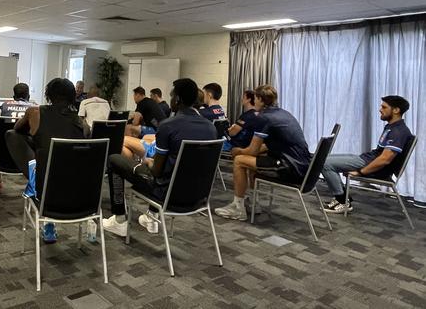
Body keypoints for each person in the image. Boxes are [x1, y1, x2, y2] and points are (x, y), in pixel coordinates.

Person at [103, 78, 218, 237]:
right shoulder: (210, 128)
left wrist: (150, 163)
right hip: (198, 196)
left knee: (114, 160)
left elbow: (157, 171)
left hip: (166, 194)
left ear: (177, 99)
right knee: (167, 170)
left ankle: (119, 219)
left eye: (172, 96)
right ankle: (151, 217)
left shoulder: (169, 126)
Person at [6, 78, 89, 243]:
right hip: (80, 192)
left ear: (48, 95)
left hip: (45, 188)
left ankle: (33, 179)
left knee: (11, 135)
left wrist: (38, 137)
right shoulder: (83, 124)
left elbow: (17, 129)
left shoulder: (35, 112)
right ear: (73, 97)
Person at [215, 84, 311, 221]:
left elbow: (252, 150)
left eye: (255, 98)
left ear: (260, 99)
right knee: (252, 159)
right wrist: (246, 152)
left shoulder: (263, 118)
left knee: (239, 161)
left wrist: (238, 151)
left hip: (290, 168)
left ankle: (238, 208)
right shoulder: (283, 113)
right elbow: (265, 147)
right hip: (303, 166)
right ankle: (253, 202)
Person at [321, 96, 412, 214]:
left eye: (384, 107)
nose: (380, 109)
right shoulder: (393, 127)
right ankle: (343, 198)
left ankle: (342, 200)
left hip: (372, 165)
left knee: (323, 163)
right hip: (367, 159)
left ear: (396, 110)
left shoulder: (398, 131)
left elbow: (385, 160)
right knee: (323, 158)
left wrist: (360, 172)